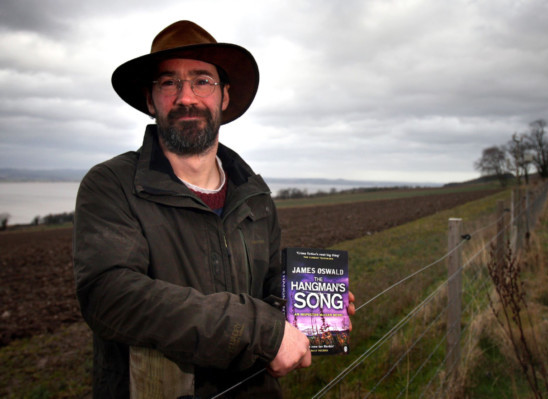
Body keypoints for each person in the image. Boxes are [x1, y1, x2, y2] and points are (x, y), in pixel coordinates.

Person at [73, 20, 354, 398]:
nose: (186, 97)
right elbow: (111, 296)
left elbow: (270, 282)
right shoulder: (112, 185)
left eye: (202, 81)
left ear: (223, 97)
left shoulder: (254, 194)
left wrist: (310, 304)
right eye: (169, 82)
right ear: (150, 99)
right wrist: (262, 332)